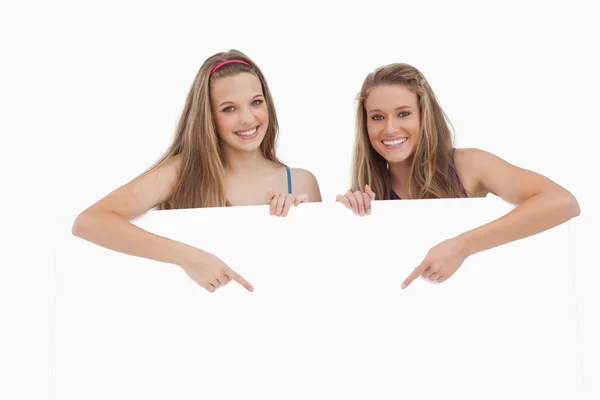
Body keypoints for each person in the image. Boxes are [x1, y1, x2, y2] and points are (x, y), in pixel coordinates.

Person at [72, 50, 322, 293]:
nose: (247, 118)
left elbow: (315, 274)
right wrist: (187, 257)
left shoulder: (301, 183)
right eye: (229, 109)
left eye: (256, 102)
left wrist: (294, 221)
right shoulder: (182, 172)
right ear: (208, 117)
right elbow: (89, 222)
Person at [336, 63, 580, 288]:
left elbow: (563, 202)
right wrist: (343, 219)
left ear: (424, 115)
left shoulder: (468, 165)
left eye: (403, 113)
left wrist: (463, 246)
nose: (390, 128)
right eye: (377, 117)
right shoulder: (369, 192)